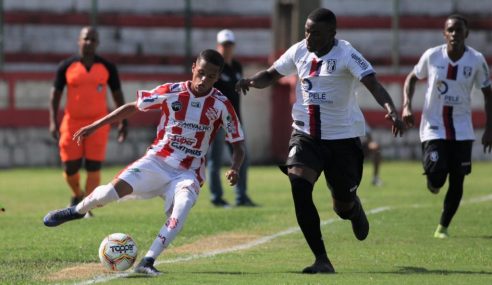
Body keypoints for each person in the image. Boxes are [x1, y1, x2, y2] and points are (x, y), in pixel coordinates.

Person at [43, 49, 245, 276]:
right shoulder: (171, 91)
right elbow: (132, 107)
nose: (203, 80)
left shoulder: (221, 104)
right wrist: (96, 125)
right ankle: (77, 210)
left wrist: (235, 168)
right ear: (193, 68)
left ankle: (147, 261)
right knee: (107, 193)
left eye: (210, 76)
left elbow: (238, 144)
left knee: (183, 206)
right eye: (201, 73)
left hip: (188, 172)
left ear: (218, 77)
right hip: (156, 162)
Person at [236, 8, 404, 273]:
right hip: (306, 136)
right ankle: (321, 259)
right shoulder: (299, 50)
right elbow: (271, 74)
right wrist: (251, 81)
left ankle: (353, 209)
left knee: (342, 206)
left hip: (342, 140)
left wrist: (392, 111)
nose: (309, 37)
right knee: (298, 184)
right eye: (306, 31)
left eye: (315, 33)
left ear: (332, 34)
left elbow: (373, 84)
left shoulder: (347, 53)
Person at [402, 14, 492, 239]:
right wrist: (406, 106)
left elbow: (488, 94)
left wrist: (490, 128)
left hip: (462, 129)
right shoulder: (432, 56)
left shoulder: (476, 60)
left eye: (458, 30)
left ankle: (443, 226)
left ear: (466, 34)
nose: (454, 34)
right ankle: (433, 181)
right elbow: (412, 78)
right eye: (450, 30)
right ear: (444, 34)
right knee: (438, 176)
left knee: (458, 179)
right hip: (433, 126)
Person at [49, 26, 127, 212]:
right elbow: (55, 95)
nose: (89, 42)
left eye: (93, 39)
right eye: (86, 38)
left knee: (93, 166)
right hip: (72, 123)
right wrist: (53, 120)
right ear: (79, 40)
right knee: (70, 167)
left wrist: (123, 121)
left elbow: (118, 95)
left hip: (98, 123)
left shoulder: (107, 67)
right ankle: (77, 194)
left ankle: (86, 206)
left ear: (98, 43)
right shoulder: (66, 66)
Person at [207, 29, 256, 207]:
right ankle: (216, 197)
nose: (226, 48)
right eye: (224, 45)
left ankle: (241, 196)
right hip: (217, 122)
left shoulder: (236, 66)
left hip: (234, 120)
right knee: (215, 159)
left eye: (229, 45)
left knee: (243, 156)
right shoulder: (214, 68)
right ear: (218, 45)